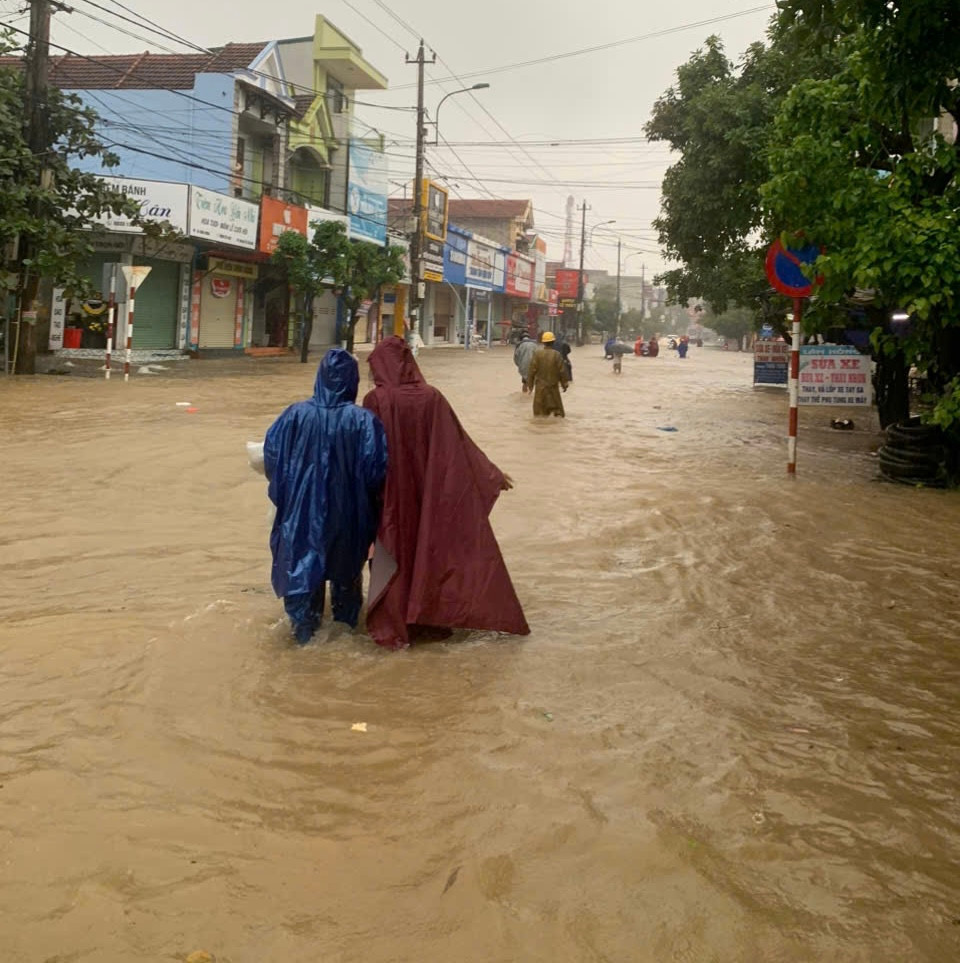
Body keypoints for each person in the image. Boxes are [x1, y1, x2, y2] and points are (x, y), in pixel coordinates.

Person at [362, 337, 529, 651]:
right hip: (431, 496)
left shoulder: (376, 400)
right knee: (429, 552)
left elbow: (370, 454)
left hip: (392, 496)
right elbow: (457, 444)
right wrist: (491, 474)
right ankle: (429, 620)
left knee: (395, 549)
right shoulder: (433, 397)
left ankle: (398, 625)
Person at [264, 349, 387, 644]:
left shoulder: (294, 415)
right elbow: (376, 471)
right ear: (352, 381)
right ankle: (344, 632)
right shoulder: (363, 421)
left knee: (302, 577)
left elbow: (271, 458)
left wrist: (290, 493)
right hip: (349, 515)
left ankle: (303, 640)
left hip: (301, 515)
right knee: (346, 579)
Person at [527, 331, 570, 417]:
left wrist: (530, 386)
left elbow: (531, 371)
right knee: (558, 415)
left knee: (539, 416)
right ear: (553, 342)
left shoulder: (537, 354)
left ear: (543, 342)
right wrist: (564, 384)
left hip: (540, 391)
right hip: (553, 390)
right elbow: (562, 371)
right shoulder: (557, 355)